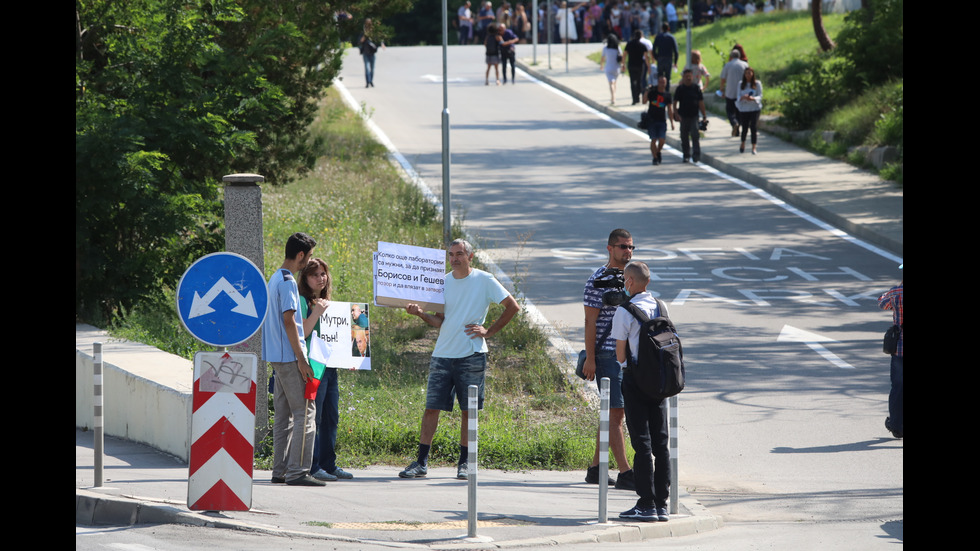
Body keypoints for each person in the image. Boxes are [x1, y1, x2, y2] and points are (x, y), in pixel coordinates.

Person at [399, 239, 521, 480]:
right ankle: (421, 462)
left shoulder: (484, 280)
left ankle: (465, 463)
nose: (454, 259)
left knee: (469, 411)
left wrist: (489, 331)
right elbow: (439, 321)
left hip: (471, 355)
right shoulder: (442, 282)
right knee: (431, 408)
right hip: (443, 354)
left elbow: (512, 307)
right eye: (451, 255)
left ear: (470, 256)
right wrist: (420, 314)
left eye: (459, 254)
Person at [263, 232, 325, 487]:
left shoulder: (275, 277)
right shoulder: (288, 282)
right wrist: (301, 358)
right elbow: (290, 321)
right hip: (290, 357)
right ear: (300, 255)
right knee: (305, 413)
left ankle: (280, 470)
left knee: (283, 415)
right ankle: (298, 471)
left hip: (277, 357)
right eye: (308, 256)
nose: (307, 261)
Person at [612, 261, 671, 522]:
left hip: (635, 381)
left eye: (625, 280)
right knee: (661, 443)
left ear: (630, 282)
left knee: (642, 443)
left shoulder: (624, 311)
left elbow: (620, 352)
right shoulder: (661, 306)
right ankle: (662, 503)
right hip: (659, 382)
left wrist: (626, 368)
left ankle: (645, 503)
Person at [582, 229, 637, 491]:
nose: (628, 251)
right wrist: (590, 359)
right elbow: (590, 322)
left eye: (631, 248)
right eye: (623, 247)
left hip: (623, 356)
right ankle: (626, 471)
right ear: (609, 248)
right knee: (616, 414)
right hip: (605, 355)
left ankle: (596, 468)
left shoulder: (630, 278)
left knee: (613, 414)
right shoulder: (598, 279)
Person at [298, 258, 355, 482]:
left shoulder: (328, 303)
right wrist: (316, 312)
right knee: (316, 416)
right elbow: (302, 332)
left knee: (332, 415)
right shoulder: (303, 301)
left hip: (330, 367)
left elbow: (337, 336)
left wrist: (350, 357)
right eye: (315, 274)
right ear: (305, 278)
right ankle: (312, 466)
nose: (321, 278)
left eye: (323, 274)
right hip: (313, 367)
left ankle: (328, 464)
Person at [878, 272, 903, 439]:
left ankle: (896, 425)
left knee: (898, 388)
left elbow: (882, 303)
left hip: (900, 350)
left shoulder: (896, 293)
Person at [672, 68, 707, 163]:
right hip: (683, 116)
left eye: (690, 76)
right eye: (686, 76)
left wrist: (704, 115)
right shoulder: (680, 89)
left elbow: (701, 102)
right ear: (683, 77)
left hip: (694, 116)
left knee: (695, 135)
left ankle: (696, 155)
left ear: (692, 77)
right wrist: (676, 114)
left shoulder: (696, 88)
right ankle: (686, 155)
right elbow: (675, 103)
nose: (688, 78)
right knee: (684, 136)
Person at [644, 75, 674, 165]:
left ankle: (658, 151)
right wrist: (647, 91)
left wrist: (672, 122)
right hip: (651, 120)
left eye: (663, 82)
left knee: (662, 140)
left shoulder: (667, 95)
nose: (662, 84)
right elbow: (644, 101)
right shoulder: (653, 92)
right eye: (660, 82)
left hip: (662, 120)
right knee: (653, 139)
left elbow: (669, 109)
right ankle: (655, 158)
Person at [719, 49, 749, 136]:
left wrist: (721, 89)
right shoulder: (744, 64)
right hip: (742, 92)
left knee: (730, 111)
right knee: (739, 110)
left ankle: (734, 123)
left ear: (731, 56)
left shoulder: (728, 65)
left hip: (730, 92)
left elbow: (723, 79)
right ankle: (738, 126)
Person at [736, 66, 762, 154]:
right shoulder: (741, 84)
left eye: (750, 73)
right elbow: (738, 96)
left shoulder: (757, 84)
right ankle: (743, 143)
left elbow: (760, 96)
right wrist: (743, 97)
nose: (748, 75)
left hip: (754, 108)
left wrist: (753, 98)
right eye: (747, 73)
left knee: (753, 127)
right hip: (744, 109)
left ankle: (754, 147)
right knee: (745, 127)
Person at [624, 29, 652, 105]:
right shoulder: (642, 46)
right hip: (640, 65)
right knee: (639, 81)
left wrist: (623, 64)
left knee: (633, 82)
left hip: (631, 65)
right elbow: (646, 57)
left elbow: (625, 54)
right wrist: (648, 67)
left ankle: (634, 98)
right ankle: (638, 95)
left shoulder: (629, 44)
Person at [652, 23, 678, 89]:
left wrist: (656, 57)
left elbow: (654, 49)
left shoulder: (658, 37)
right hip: (668, 59)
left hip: (660, 59)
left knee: (660, 77)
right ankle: (666, 92)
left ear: (662, 28)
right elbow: (676, 51)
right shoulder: (671, 37)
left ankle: (660, 92)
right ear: (668, 28)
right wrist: (675, 62)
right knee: (667, 77)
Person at [358, 19, 383, 88]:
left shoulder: (373, 33)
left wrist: (382, 44)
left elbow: (378, 39)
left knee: (372, 69)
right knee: (367, 68)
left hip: (372, 53)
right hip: (365, 53)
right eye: (367, 23)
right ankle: (367, 82)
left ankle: (371, 81)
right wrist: (364, 36)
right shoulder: (363, 32)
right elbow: (359, 42)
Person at [600, 34, 622, 104]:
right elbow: (621, 57)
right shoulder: (618, 48)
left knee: (611, 83)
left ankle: (613, 97)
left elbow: (602, 58)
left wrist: (601, 65)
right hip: (617, 68)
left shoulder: (605, 49)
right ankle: (614, 96)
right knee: (614, 82)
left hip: (609, 68)